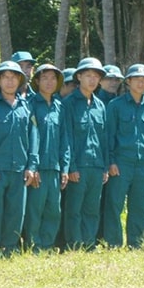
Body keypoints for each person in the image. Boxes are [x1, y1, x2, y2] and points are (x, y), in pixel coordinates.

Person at [0, 61, 38, 259]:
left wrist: (31, 166)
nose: (10, 82)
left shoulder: (26, 106)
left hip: (19, 170)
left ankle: (10, 249)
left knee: (15, 213)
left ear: (20, 80)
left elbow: (33, 137)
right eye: (6, 77)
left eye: (14, 77)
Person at [61, 58, 111, 249]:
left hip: (97, 165)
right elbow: (67, 138)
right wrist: (71, 166)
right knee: (74, 208)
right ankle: (74, 244)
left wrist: (105, 166)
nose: (92, 80)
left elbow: (104, 139)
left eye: (96, 76)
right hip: (78, 165)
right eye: (88, 75)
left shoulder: (100, 106)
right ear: (79, 77)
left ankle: (88, 244)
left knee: (92, 209)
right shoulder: (69, 104)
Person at [107, 63, 144, 248]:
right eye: (137, 79)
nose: (141, 83)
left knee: (139, 206)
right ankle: (113, 243)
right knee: (114, 205)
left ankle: (135, 243)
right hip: (121, 163)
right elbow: (110, 136)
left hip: (142, 165)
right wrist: (111, 161)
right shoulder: (115, 106)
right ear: (128, 82)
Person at [23, 62, 68, 253]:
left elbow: (65, 140)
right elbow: (27, 139)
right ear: (37, 81)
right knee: (35, 210)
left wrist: (65, 168)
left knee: (53, 210)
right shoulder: (30, 105)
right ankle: (33, 246)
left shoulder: (59, 107)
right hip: (38, 169)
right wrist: (32, 167)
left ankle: (47, 246)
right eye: (44, 78)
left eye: (53, 78)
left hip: (55, 169)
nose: (49, 82)